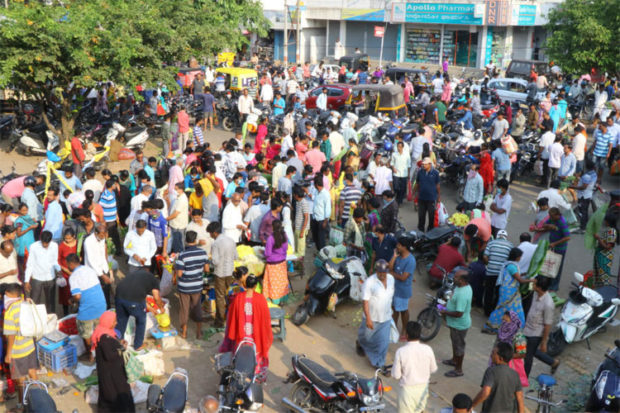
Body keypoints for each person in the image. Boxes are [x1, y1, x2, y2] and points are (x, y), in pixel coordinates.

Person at [223, 272, 273, 382]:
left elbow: (231, 317)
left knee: (239, 356)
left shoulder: (238, 298)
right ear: (255, 286)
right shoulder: (261, 299)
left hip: (241, 336)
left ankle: (239, 374)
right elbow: (266, 320)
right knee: (257, 355)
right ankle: (256, 377)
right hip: (256, 337)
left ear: (245, 285)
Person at [91, 311, 135, 413]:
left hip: (108, 372)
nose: (116, 323)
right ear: (108, 322)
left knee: (106, 392)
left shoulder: (104, 333)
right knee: (117, 394)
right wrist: (122, 349)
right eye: (114, 321)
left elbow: (111, 345)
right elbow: (110, 356)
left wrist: (119, 343)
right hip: (112, 374)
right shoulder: (104, 339)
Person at [3, 283, 39, 405]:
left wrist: (8, 354)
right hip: (30, 346)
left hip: (18, 351)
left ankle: (22, 404)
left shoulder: (10, 311)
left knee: (21, 380)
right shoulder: (26, 304)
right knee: (32, 373)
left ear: (8, 294)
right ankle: (40, 397)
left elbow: (11, 335)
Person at [356, 260, 394, 370]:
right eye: (380, 272)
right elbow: (365, 301)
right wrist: (368, 318)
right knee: (367, 338)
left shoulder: (391, 279)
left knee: (383, 342)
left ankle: (379, 364)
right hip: (372, 317)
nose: (382, 274)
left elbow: (389, 297)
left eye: (384, 272)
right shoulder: (369, 282)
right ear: (376, 271)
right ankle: (360, 342)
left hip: (386, 317)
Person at [391, 321, 438, 413]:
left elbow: (396, 375)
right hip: (423, 389)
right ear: (419, 334)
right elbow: (433, 369)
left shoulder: (401, 351)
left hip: (407, 391)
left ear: (407, 335)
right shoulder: (428, 349)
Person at [484, 248, 534, 332]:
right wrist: (531, 280)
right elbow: (520, 280)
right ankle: (511, 327)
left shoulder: (509, 264)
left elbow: (515, 275)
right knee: (509, 309)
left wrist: (524, 274)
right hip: (510, 291)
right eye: (520, 256)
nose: (520, 258)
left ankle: (499, 325)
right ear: (517, 257)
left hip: (507, 290)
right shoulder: (512, 266)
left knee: (505, 309)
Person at [67, 253, 106, 353]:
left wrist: (72, 300)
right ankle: (100, 349)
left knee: (86, 332)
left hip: (88, 310)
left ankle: (90, 353)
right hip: (102, 306)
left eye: (68, 264)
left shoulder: (73, 276)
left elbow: (77, 296)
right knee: (99, 331)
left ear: (71, 264)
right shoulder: (89, 269)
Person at [115, 269, 163, 350]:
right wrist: (161, 308)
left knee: (121, 320)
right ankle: (138, 345)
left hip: (119, 295)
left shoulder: (136, 274)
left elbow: (141, 298)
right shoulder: (154, 280)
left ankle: (118, 343)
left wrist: (151, 309)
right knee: (141, 321)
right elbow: (156, 297)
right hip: (133, 300)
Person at [175, 231, 210, 339]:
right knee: (197, 308)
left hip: (184, 287)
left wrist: (175, 270)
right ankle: (199, 332)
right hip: (197, 286)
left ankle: (184, 332)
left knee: (184, 309)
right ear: (195, 240)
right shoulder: (203, 253)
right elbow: (207, 269)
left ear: (186, 240)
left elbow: (179, 274)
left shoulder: (182, 255)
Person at [472, 342, 524, 413]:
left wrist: (471, 405)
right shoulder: (515, 374)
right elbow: (520, 399)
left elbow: (485, 393)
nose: (491, 355)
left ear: (501, 358)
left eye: (493, 353)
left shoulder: (491, 371)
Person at [523, 276, 559, 377]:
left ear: (539, 287)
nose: (532, 284)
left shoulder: (548, 304)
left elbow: (547, 325)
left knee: (528, 356)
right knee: (530, 350)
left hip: (535, 333)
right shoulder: (534, 294)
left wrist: (544, 342)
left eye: (534, 283)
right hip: (526, 328)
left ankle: (524, 378)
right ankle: (553, 362)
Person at [441, 269, 473, 378]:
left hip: (459, 325)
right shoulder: (463, 287)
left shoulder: (463, 294)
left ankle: (458, 369)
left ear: (463, 280)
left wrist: (445, 311)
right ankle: (454, 360)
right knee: (455, 343)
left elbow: (459, 313)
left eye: (456, 278)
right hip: (456, 324)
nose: (454, 278)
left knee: (459, 346)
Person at [208, 221, 238, 328]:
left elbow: (215, 261)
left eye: (210, 234)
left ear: (215, 233)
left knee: (220, 297)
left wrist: (210, 260)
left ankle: (220, 321)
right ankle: (232, 319)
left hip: (220, 273)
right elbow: (236, 256)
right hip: (230, 272)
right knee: (230, 296)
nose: (210, 236)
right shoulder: (231, 240)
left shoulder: (216, 243)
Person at [24, 230, 60, 313]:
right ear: (40, 240)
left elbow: (55, 261)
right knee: (35, 301)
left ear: (50, 241)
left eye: (47, 243)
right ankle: (35, 319)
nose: (45, 245)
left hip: (50, 277)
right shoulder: (33, 246)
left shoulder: (55, 246)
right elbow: (30, 264)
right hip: (37, 277)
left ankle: (50, 319)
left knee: (50, 302)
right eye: (43, 243)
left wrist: (58, 270)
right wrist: (26, 280)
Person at [483, 230, 513, 316]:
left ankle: (487, 311)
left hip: (490, 272)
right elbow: (510, 260)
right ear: (506, 237)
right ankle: (495, 310)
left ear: (497, 236)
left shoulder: (491, 243)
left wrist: (490, 264)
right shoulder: (510, 245)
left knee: (489, 291)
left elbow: (485, 257)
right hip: (501, 275)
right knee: (498, 292)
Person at [541, 207, 571, 291]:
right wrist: (549, 226)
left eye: (552, 216)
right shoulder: (552, 219)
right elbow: (544, 225)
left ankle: (554, 287)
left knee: (557, 267)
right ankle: (548, 283)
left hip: (560, 248)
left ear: (558, 215)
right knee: (549, 265)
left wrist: (555, 243)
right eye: (549, 216)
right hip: (552, 246)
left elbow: (567, 237)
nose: (550, 218)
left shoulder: (562, 222)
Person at [83, 224, 113, 306]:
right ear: (96, 233)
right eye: (101, 235)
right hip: (93, 272)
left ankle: (107, 308)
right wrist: (102, 275)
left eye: (104, 235)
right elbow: (91, 260)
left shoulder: (102, 238)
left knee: (106, 292)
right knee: (95, 293)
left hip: (103, 268)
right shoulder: (88, 241)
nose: (103, 237)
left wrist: (107, 270)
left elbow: (103, 255)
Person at [262, 219, 290, 305]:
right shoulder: (284, 235)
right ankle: (281, 299)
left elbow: (268, 253)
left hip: (273, 265)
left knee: (273, 284)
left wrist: (262, 252)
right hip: (282, 263)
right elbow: (286, 248)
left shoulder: (271, 238)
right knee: (281, 282)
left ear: (273, 227)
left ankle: (274, 301)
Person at [414, 157, 440, 232]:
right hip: (421, 198)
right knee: (421, 216)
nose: (423, 165)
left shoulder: (435, 173)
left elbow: (438, 186)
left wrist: (438, 197)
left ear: (430, 164)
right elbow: (417, 183)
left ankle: (430, 230)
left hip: (431, 198)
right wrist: (414, 193)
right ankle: (420, 230)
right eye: (423, 164)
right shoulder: (420, 172)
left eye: (425, 164)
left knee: (431, 216)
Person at [593, 213, 618, 287]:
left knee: (604, 275)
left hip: (605, 257)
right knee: (599, 274)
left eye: (606, 220)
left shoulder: (612, 232)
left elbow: (608, 247)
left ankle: (604, 291)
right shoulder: (609, 229)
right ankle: (599, 290)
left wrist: (598, 239)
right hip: (601, 255)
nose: (604, 221)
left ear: (609, 221)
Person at [167, 182, 189, 253]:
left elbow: (176, 213)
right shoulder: (178, 197)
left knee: (179, 244)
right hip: (175, 224)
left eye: (176, 189)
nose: (174, 190)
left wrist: (166, 219)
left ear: (181, 189)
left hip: (178, 226)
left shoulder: (182, 199)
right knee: (176, 243)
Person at [311, 176, 331, 251]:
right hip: (315, 218)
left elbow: (328, 208)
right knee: (315, 237)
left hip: (322, 220)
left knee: (321, 239)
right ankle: (319, 251)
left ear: (316, 184)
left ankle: (322, 254)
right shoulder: (316, 192)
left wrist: (326, 221)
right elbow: (315, 200)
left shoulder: (326, 194)